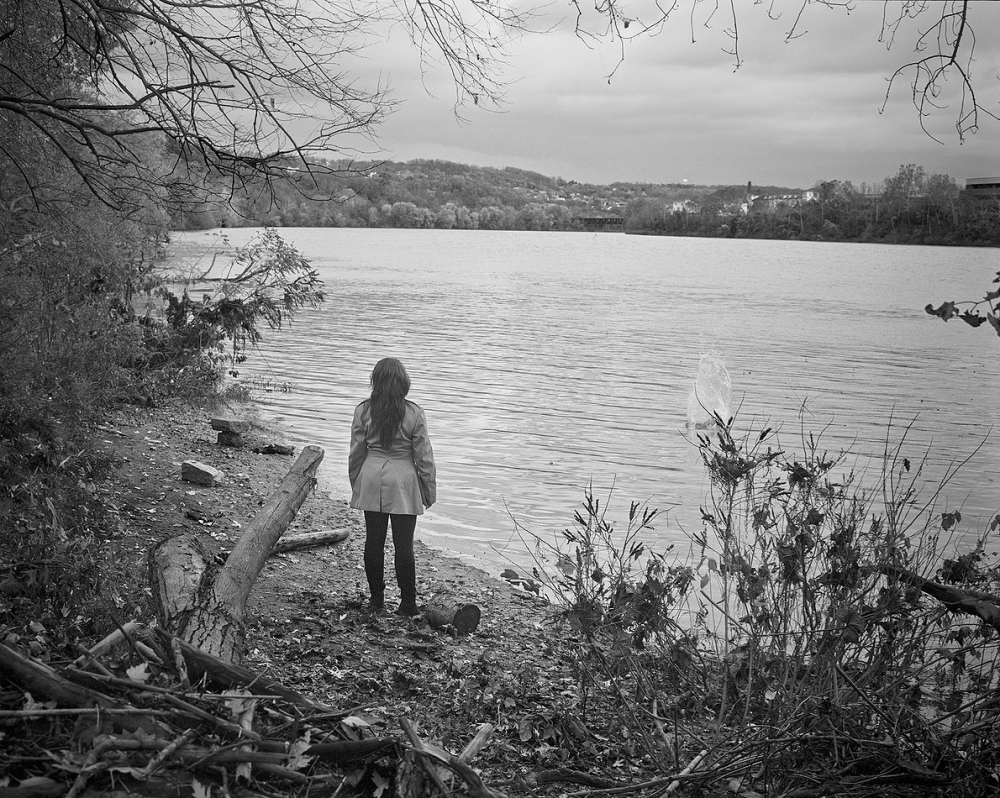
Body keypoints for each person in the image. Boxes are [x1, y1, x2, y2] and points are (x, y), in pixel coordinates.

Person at [348, 358, 436, 616]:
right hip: (404, 481)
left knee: (373, 541)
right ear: (404, 382)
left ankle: (376, 600)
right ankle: (408, 603)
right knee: (404, 544)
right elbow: (424, 457)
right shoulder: (414, 413)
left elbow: (356, 453)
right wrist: (428, 491)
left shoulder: (363, 411)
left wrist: (358, 485)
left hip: (372, 476)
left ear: (375, 381)